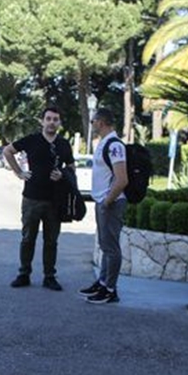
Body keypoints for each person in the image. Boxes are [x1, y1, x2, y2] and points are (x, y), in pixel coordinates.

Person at [3, 106, 74, 290]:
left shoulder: (64, 144)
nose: (52, 122)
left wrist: (63, 174)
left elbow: (72, 168)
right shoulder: (32, 140)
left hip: (54, 200)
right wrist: (19, 172)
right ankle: (24, 274)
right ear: (42, 121)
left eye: (55, 119)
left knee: (51, 241)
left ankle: (49, 276)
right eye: (48, 118)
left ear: (59, 122)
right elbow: (7, 151)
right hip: (31, 198)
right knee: (28, 238)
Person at [78, 108, 127, 304]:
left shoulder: (115, 146)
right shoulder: (104, 143)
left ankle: (110, 290)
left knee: (111, 247)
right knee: (105, 245)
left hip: (111, 203)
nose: (92, 125)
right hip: (103, 201)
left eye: (93, 122)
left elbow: (122, 179)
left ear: (100, 122)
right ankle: (103, 282)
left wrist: (107, 201)